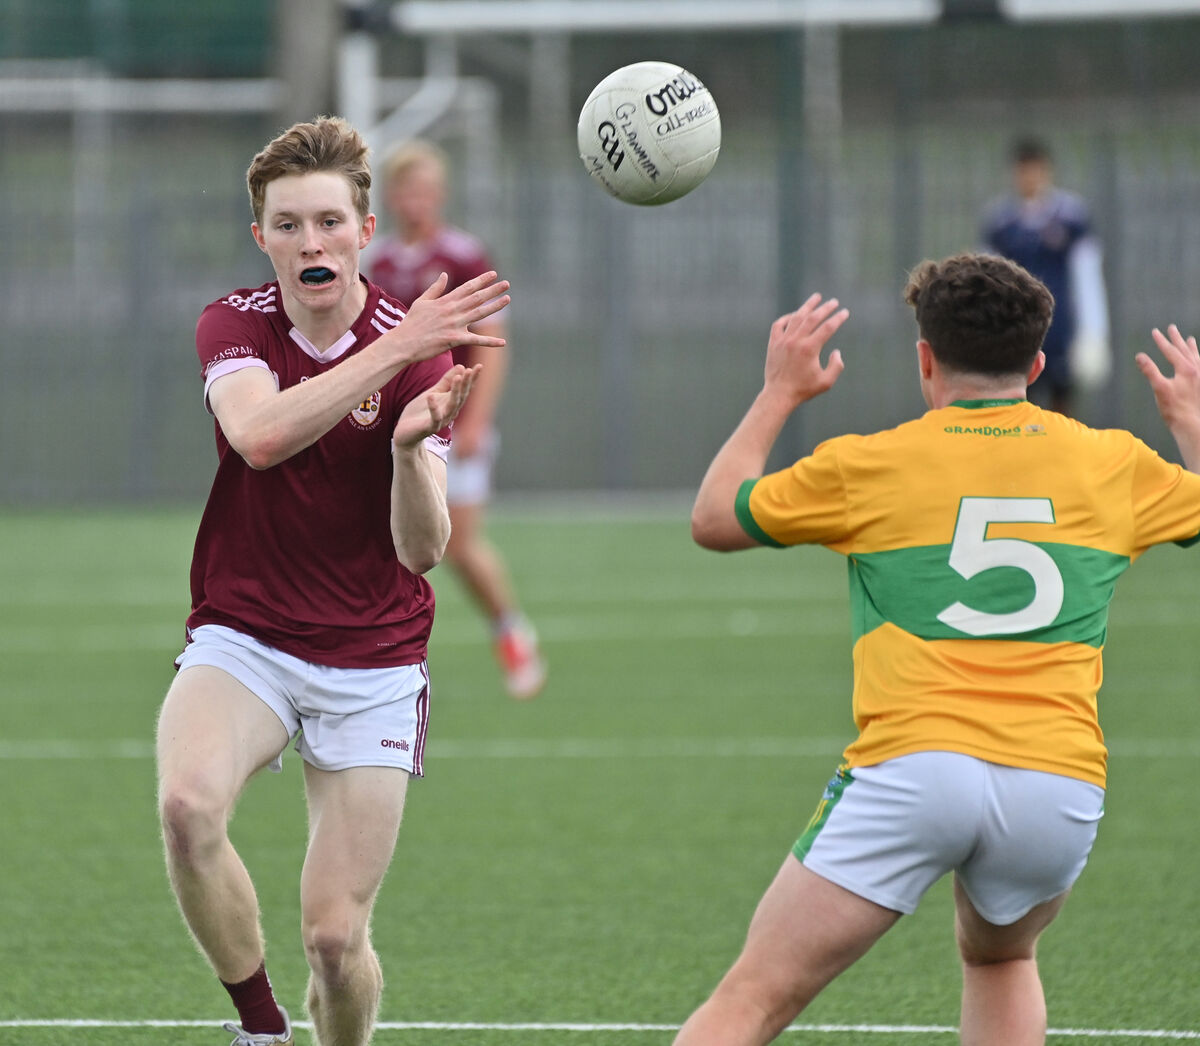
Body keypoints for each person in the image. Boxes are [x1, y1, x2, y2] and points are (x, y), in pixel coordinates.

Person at [675, 252, 1200, 1046]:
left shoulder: (869, 463)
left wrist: (780, 391)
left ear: (925, 359)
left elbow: (715, 516)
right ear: (1036, 362)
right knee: (1001, 960)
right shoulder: (1115, 463)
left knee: (752, 1000)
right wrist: (1191, 421)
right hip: (1055, 787)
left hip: (915, 768)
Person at [155, 116, 510, 1046]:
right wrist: (390, 357)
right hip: (247, 635)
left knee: (334, 942)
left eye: (326, 222)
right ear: (261, 237)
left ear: (363, 230)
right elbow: (260, 439)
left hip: (371, 660)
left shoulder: (419, 353)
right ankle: (262, 1031)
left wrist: (404, 451)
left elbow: (424, 550)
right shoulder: (235, 322)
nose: (309, 243)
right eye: (287, 225)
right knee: (188, 808)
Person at [367, 138, 546, 700]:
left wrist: (475, 420)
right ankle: (374, 655)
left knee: (459, 544)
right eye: (405, 188)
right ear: (391, 196)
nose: (415, 199)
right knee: (377, 543)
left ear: (440, 194)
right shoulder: (378, 261)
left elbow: (494, 341)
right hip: (392, 424)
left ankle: (510, 629)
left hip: (452, 417)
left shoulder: (464, 256)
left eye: (425, 189)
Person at [981, 136, 1111, 416]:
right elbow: (988, 282)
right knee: (1017, 411)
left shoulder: (1072, 218)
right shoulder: (1001, 223)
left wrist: (1093, 332)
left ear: (1047, 170)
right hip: (1016, 332)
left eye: (1035, 169)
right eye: (1023, 170)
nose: (1029, 177)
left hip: (1059, 330)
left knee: (1060, 412)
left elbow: (1087, 278)